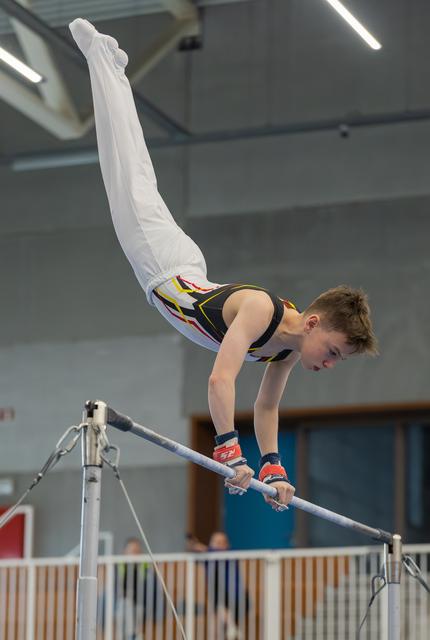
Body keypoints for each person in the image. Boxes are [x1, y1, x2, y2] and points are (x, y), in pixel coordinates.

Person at [69, 19, 378, 511]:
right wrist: (229, 449)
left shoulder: (287, 346)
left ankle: (112, 66)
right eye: (335, 351)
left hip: (188, 270)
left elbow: (268, 405)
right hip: (164, 268)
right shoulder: (261, 310)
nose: (331, 363)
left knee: (135, 174)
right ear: (315, 323)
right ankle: (102, 57)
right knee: (127, 171)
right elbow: (220, 379)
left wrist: (273, 464)